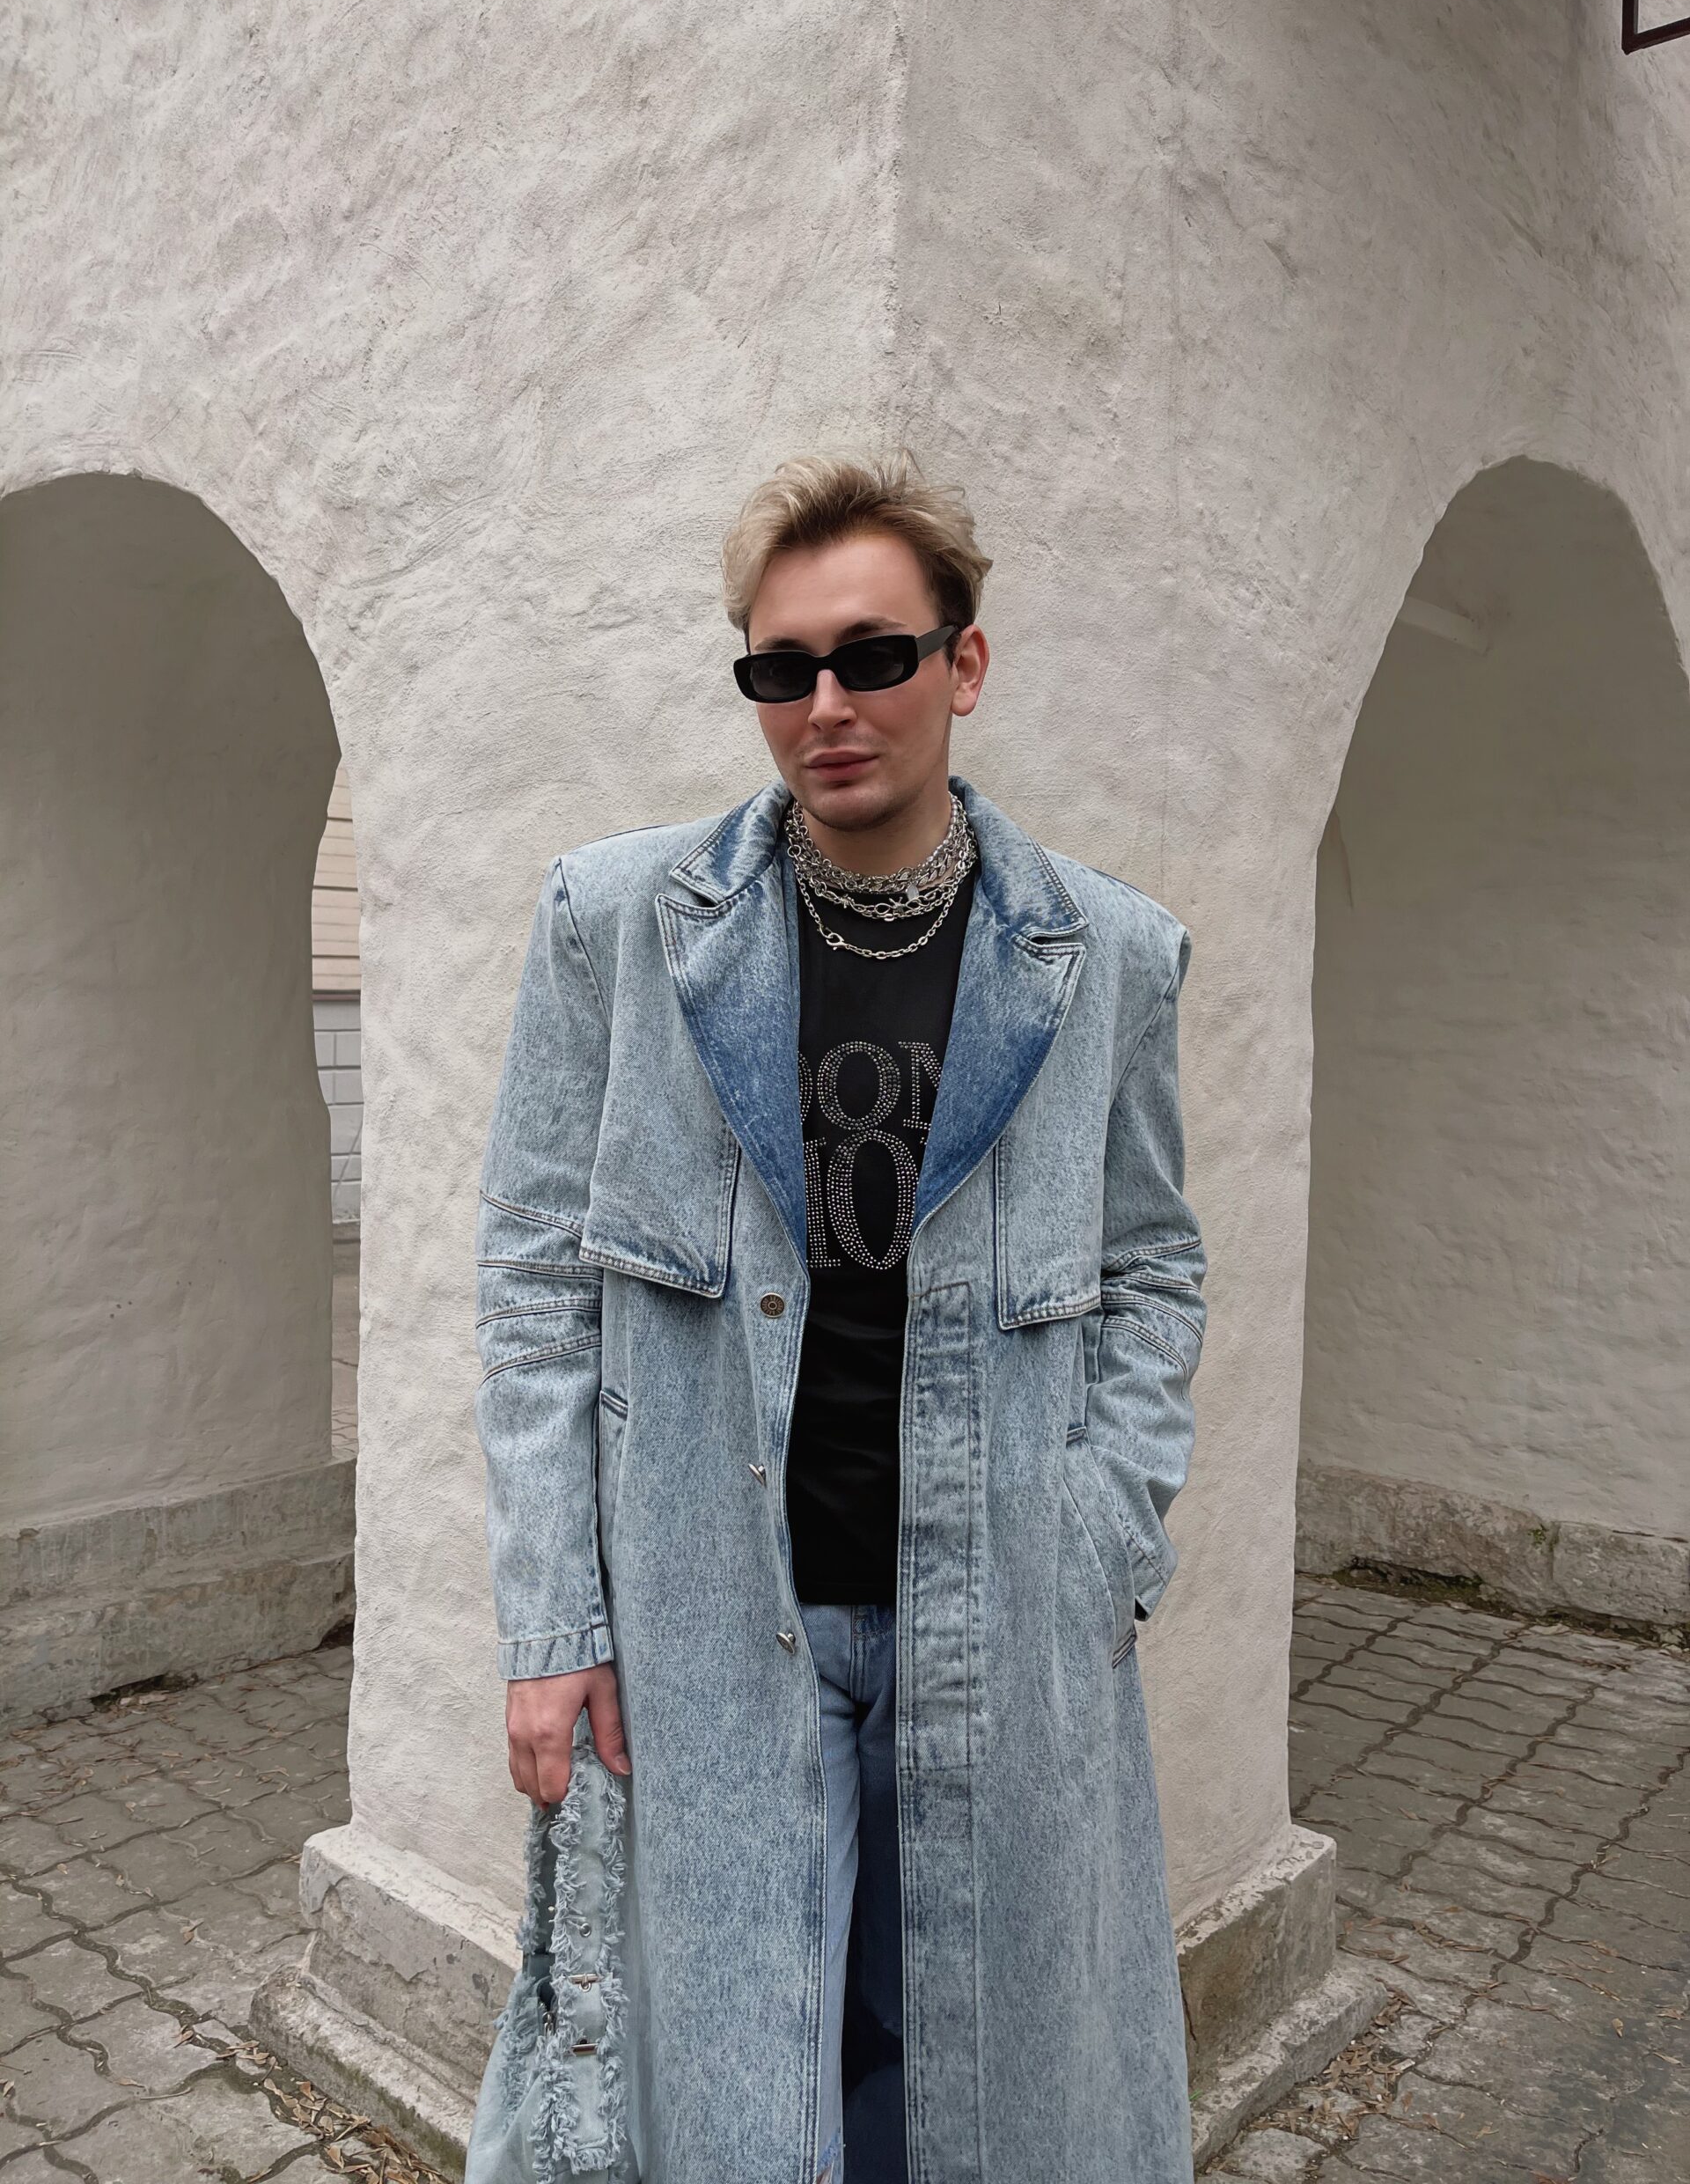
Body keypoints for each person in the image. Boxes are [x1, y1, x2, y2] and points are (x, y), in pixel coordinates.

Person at [473, 449, 1208, 2183]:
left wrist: (1109, 1531)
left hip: (1000, 1611)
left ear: (964, 662)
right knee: (743, 2089)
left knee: (969, 2084)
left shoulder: (1106, 955)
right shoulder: (620, 928)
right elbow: (534, 1280)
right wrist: (552, 1620)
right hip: (715, 1617)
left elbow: (1156, 1261)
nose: (827, 706)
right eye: (781, 667)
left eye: (874, 655)